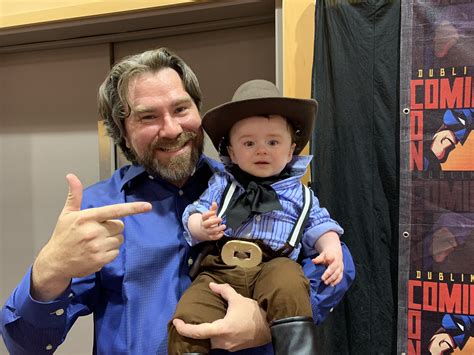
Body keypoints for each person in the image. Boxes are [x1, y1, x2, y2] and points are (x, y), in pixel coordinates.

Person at [0, 47, 355, 354]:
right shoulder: (100, 210)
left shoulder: (253, 185)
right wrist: (49, 272)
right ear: (121, 130)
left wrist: (268, 321)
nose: (171, 129)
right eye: (148, 116)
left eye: (181, 109)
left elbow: (338, 267)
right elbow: (27, 345)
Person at [168, 79, 346, 354]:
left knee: (289, 282)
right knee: (190, 310)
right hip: (221, 269)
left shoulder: (301, 195)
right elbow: (195, 212)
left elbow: (321, 224)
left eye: (273, 141)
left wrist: (331, 247)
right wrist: (202, 226)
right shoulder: (222, 185)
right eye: (248, 143)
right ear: (232, 153)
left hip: (273, 264)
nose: (261, 150)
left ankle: (297, 350)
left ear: (290, 151)